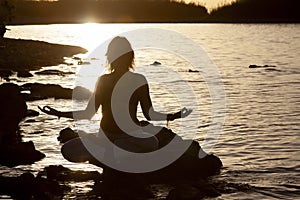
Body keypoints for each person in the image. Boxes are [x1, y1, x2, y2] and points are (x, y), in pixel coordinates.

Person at [39, 36, 192, 166]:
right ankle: (114, 153)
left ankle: (107, 154)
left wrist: (174, 116)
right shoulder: (112, 80)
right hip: (107, 137)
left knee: (151, 142)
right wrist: (58, 113)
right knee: (67, 149)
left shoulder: (132, 80)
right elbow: (149, 115)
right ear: (130, 57)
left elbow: (88, 114)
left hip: (125, 137)